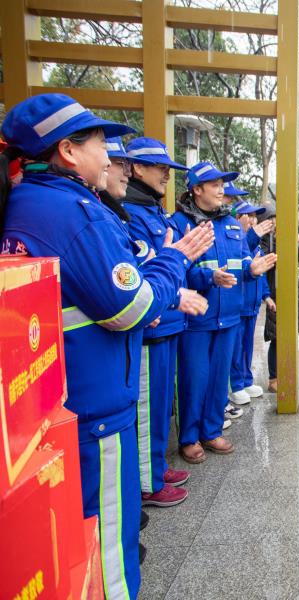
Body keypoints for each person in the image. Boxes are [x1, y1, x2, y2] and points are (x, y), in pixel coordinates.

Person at [0, 93, 214, 598]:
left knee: (79, 542)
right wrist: (171, 262)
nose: (110, 156)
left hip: (64, 402)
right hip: (96, 408)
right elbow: (129, 306)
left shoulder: (31, 204)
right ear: (69, 152)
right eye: (101, 144)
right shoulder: (74, 212)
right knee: (109, 548)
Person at [171, 162, 276, 464]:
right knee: (194, 378)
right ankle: (189, 437)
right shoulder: (180, 223)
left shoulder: (230, 224)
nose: (221, 190)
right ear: (196, 189)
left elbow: (243, 260)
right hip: (197, 318)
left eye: (222, 184)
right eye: (214, 185)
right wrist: (209, 278)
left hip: (229, 315)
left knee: (218, 379)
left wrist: (251, 269)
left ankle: (212, 429)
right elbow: (178, 269)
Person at [122, 137, 203, 508]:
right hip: (153, 324)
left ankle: (154, 465)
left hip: (170, 322)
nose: (167, 177)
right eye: (161, 169)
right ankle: (147, 482)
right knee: (147, 406)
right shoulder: (131, 214)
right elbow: (141, 269)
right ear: (137, 168)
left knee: (160, 406)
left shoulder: (153, 212)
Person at [259, 205, 299, 394]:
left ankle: (286, 372)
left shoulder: (287, 241)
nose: (274, 225)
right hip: (275, 292)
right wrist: (276, 242)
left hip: (291, 291)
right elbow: (266, 261)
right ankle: (273, 378)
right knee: (276, 337)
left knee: (289, 334)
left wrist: (285, 238)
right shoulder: (264, 242)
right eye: (272, 221)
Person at [228, 196, 271, 406]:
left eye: (255, 216)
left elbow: (260, 275)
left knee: (247, 346)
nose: (253, 220)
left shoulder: (256, 246)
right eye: (249, 216)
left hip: (252, 306)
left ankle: (245, 380)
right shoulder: (235, 240)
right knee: (235, 348)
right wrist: (250, 235)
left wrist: (266, 296)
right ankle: (235, 385)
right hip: (237, 305)